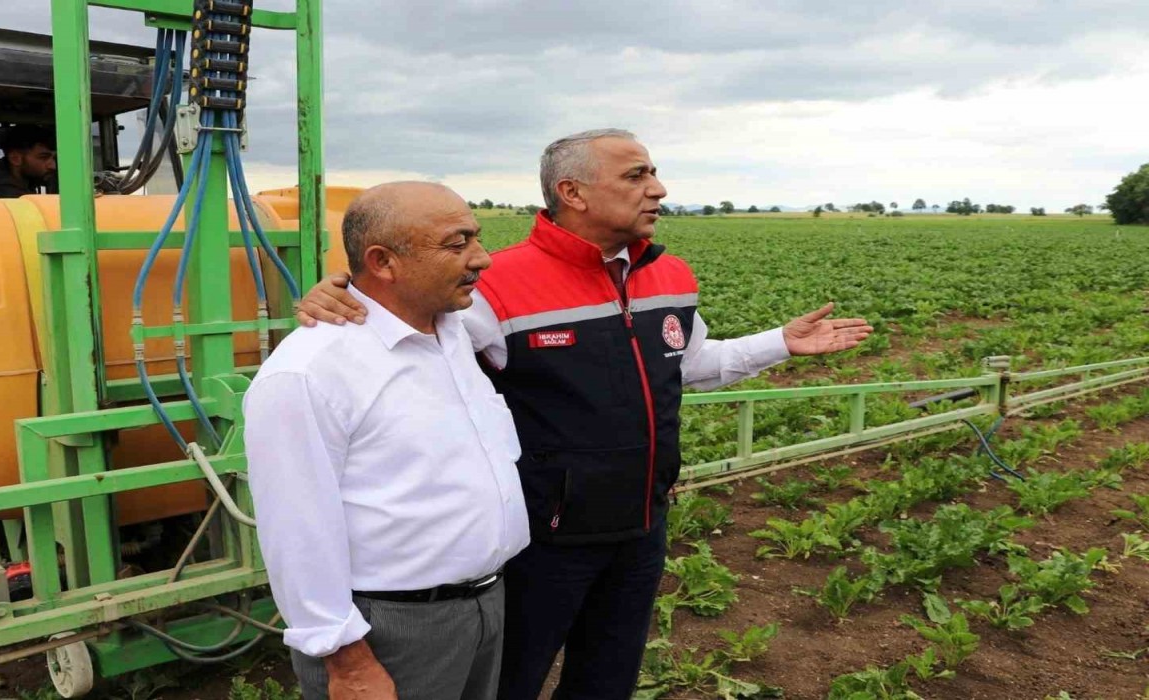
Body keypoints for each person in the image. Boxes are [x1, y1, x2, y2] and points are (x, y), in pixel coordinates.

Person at [296, 130, 874, 699]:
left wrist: (781, 341)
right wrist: (342, 295)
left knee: (607, 678)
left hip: (641, 525)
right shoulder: (494, 284)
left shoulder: (669, 275)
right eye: (636, 175)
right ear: (572, 192)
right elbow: (406, 321)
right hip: (543, 541)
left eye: (653, 173)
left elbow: (689, 363)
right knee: (510, 681)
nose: (658, 189)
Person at [244, 181, 530, 700]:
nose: (482, 258)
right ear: (383, 261)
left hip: (484, 604)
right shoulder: (311, 370)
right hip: (391, 626)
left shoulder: (451, 331)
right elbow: (297, 529)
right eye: (457, 243)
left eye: (477, 238)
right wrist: (346, 660)